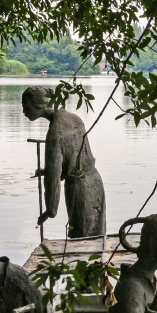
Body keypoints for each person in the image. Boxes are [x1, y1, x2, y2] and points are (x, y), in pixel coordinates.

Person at [22, 86, 106, 238]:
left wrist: (50, 210)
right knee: (97, 235)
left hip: (79, 189)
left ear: (38, 104)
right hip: (95, 181)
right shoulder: (74, 118)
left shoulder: (55, 132)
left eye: (25, 106)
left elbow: (53, 177)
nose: (24, 112)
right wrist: (48, 170)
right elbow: (74, 155)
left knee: (81, 237)